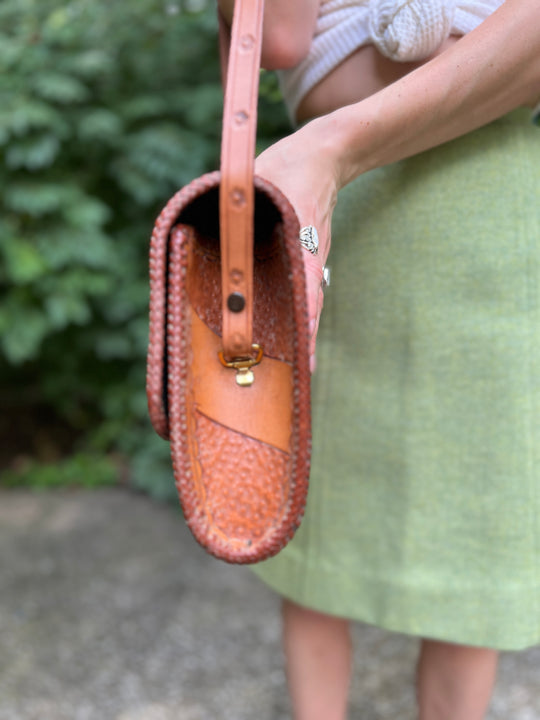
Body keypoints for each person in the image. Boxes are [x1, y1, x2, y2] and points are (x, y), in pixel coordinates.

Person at [218, 2, 540, 718]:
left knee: (470, 526)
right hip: (326, 205)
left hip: (475, 193)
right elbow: (277, 37)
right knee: (315, 509)